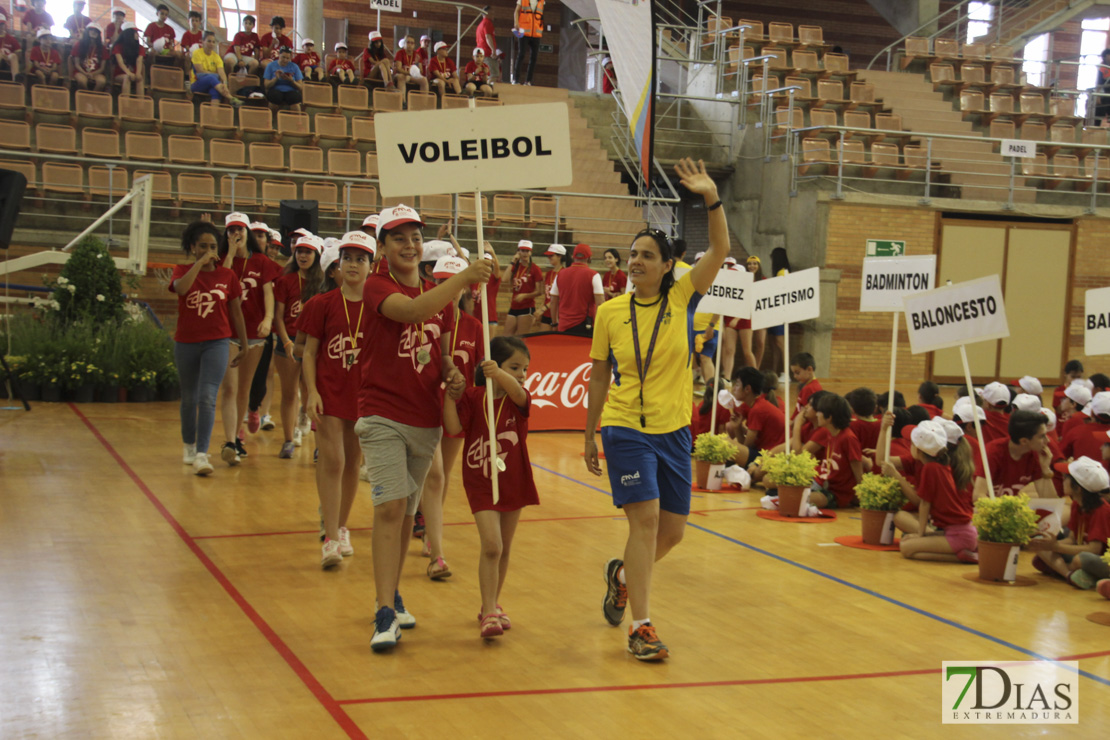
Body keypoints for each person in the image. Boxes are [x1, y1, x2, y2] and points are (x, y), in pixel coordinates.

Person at [586, 158, 728, 661]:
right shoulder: (609, 312)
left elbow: (721, 249)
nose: (637, 261)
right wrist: (589, 434)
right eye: (633, 254)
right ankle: (640, 627)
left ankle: (622, 575)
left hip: (675, 431)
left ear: (669, 265)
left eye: (648, 255)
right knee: (643, 523)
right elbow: (600, 374)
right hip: (625, 428)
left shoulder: (685, 297)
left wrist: (711, 197)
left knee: (672, 532)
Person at [356, 205, 492, 653]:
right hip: (381, 414)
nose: (409, 245)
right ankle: (382, 611)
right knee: (391, 508)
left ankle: (392, 593)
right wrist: (464, 278)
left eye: (415, 237)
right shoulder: (377, 286)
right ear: (383, 248)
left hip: (425, 420)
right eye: (398, 238)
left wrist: (452, 375)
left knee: (403, 512)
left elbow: (444, 354)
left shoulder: (443, 300)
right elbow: (414, 312)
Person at [444, 336, 537, 639]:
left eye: (524, 368)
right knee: (492, 545)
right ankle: (487, 611)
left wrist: (502, 375)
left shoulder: (517, 397)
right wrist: (449, 395)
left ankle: (493, 604)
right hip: (480, 478)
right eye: (515, 367)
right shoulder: (473, 397)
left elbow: (519, 392)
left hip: (514, 478)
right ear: (492, 364)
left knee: (505, 548)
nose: (521, 374)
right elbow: (455, 428)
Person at [300, 231, 376, 567]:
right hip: (329, 392)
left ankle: (342, 527)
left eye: (361, 259)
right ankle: (330, 537)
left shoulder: (380, 308)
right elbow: (308, 352)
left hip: (363, 398)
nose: (353, 264)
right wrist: (312, 391)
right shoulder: (322, 304)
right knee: (333, 461)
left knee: (353, 461)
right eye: (348, 258)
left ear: (371, 267)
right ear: (337, 264)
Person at [171, 221, 250, 476]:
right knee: (190, 397)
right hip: (186, 343)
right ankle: (189, 445)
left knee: (207, 396)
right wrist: (199, 263)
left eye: (213, 246)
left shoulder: (227, 276)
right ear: (192, 247)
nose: (209, 250)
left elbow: (237, 313)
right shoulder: (182, 270)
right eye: (203, 246)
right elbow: (181, 289)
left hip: (217, 342)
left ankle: (203, 454)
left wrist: (244, 345)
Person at [217, 211, 280, 463]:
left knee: (244, 388)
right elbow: (220, 283)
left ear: (247, 232)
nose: (236, 234)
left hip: (255, 333)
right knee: (229, 388)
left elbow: (268, 294)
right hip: (226, 332)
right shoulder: (223, 259)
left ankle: (238, 437)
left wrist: (267, 319)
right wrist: (230, 255)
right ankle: (230, 441)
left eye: (240, 229)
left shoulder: (262, 262)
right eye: (231, 230)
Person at [885, 420, 978, 562]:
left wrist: (920, 534)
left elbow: (924, 504)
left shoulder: (930, 468)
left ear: (918, 449)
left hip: (960, 535)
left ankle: (959, 557)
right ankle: (961, 553)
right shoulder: (940, 465)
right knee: (907, 545)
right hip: (957, 532)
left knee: (907, 548)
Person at [273, 234, 323, 457]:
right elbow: (278, 316)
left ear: (316, 255)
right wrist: (285, 342)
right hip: (289, 342)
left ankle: (318, 444)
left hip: (312, 343)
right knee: (289, 393)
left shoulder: (321, 282)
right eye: (300, 251)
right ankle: (288, 440)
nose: (303, 255)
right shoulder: (285, 281)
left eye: (308, 252)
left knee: (311, 391)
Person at [1032, 457, 1110, 588]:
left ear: (1078, 488)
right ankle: (1070, 574)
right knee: (1040, 542)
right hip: (1080, 553)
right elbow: (1072, 539)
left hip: (1100, 559)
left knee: (1082, 559)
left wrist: (1056, 547)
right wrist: (1047, 544)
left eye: (1067, 477)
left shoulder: (1102, 510)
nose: (1063, 479)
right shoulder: (1077, 505)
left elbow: (1094, 550)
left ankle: (1060, 569)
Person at [972, 409, 1054, 500]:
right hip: (979, 510)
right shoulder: (993, 452)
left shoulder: (1036, 455)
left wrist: (1045, 469)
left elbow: (1050, 501)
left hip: (1007, 507)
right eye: (1042, 436)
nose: (1048, 440)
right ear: (1024, 441)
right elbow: (978, 496)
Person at [809, 393, 863, 509]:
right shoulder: (829, 433)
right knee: (782, 484)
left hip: (836, 492)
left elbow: (857, 468)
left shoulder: (848, 438)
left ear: (829, 417)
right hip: (820, 481)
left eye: (819, 412)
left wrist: (862, 496)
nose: (817, 414)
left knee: (806, 498)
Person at [727, 366, 784, 467]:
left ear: (747, 389)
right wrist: (737, 427)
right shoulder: (756, 405)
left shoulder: (758, 409)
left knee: (726, 443)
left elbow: (746, 447)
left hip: (770, 457)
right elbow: (746, 447)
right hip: (763, 453)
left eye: (737, 384)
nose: (734, 388)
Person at [550, 243, 603, 336]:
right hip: (585, 325)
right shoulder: (594, 275)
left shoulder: (560, 274)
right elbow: (600, 304)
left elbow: (553, 302)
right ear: (589, 257)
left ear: (573, 256)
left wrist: (554, 323)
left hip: (563, 326)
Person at [503, 240, 543, 336]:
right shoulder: (516, 267)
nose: (525, 253)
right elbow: (504, 279)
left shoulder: (535, 268)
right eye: (523, 250)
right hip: (514, 306)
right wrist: (513, 261)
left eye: (527, 251)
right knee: (506, 336)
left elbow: (539, 291)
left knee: (521, 338)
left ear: (530, 252)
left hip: (527, 307)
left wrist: (525, 295)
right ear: (518, 252)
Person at [191, 31, 235, 105]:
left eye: (213, 42)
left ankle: (214, 116)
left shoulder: (217, 57)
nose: (211, 44)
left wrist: (225, 84)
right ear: (203, 42)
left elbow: (222, 73)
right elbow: (200, 71)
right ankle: (230, 97)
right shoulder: (197, 53)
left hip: (213, 84)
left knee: (216, 92)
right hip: (197, 83)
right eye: (209, 41)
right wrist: (215, 75)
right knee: (211, 78)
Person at [264, 46, 304, 112]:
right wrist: (276, 78)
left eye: (288, 58)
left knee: (295, 100)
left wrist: (291, 81)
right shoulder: (270, 66)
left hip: (290, 90)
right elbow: (266, 85)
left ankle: (297, 121)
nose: (285, 60)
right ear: (279, 55)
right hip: (275, 90)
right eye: (283, 57)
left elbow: (300, 87)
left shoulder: (294, 67)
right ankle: (270, 120)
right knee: (274, 97)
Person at [512, 0, 543, 86]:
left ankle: (528, 81)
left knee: (534, 58)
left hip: (536, 33)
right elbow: (517, 11)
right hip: (524, 31)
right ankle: (516, 79)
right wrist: (516, 22)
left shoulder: (542, 1)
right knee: (521, 54)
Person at [111, 23, 145, 97]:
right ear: (129, 34)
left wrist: (138, 73)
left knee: (140, 79)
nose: (137, 35)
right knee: (127, 78)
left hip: (134, 73)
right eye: (135, 32)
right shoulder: (118, 47)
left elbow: (139, 61)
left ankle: (141, 105)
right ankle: (125, 105)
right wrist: (128, 73)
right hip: (120, 74)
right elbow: (120, 62)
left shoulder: (140, 48)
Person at [538, 243, 564, 329]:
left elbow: (561, 296)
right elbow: (546, 295)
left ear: (559, 256)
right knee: (543, 340)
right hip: (546, 312)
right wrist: (541, 308)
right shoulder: (549, 273)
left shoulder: (564, 273)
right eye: (548, 256)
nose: (549, 258)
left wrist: (543, 308)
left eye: (551, 256)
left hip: (558, 313)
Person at [475, 5, 498, 80]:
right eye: (492, 12)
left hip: (482, 53)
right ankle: (490, 91)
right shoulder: (488, 23)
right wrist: (493, 50)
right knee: (493, 75)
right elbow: (488, 37)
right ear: (487, 13)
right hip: (488, 53)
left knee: (486, 75)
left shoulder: (480, 25)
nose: (493, 14)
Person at [1095, 50, 1110, 126]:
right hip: (1104, 95)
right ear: (1105, 56)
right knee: (1098, 114)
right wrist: (1098, 96)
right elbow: (1098, 83)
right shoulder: (1102, 68)